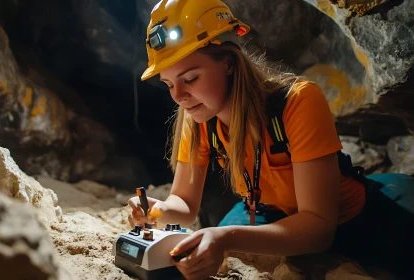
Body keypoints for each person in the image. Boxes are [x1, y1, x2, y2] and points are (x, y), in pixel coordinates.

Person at [127, 0, 414, 279]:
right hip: (267, 214)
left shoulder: (298, 102)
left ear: (228, 62)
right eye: (169, 85)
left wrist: (224, 237)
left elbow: (318, 227)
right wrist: (157, 209)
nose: (178, 96)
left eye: (190, 78)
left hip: (348, 218)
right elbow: (185, 205)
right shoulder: (198, 117)